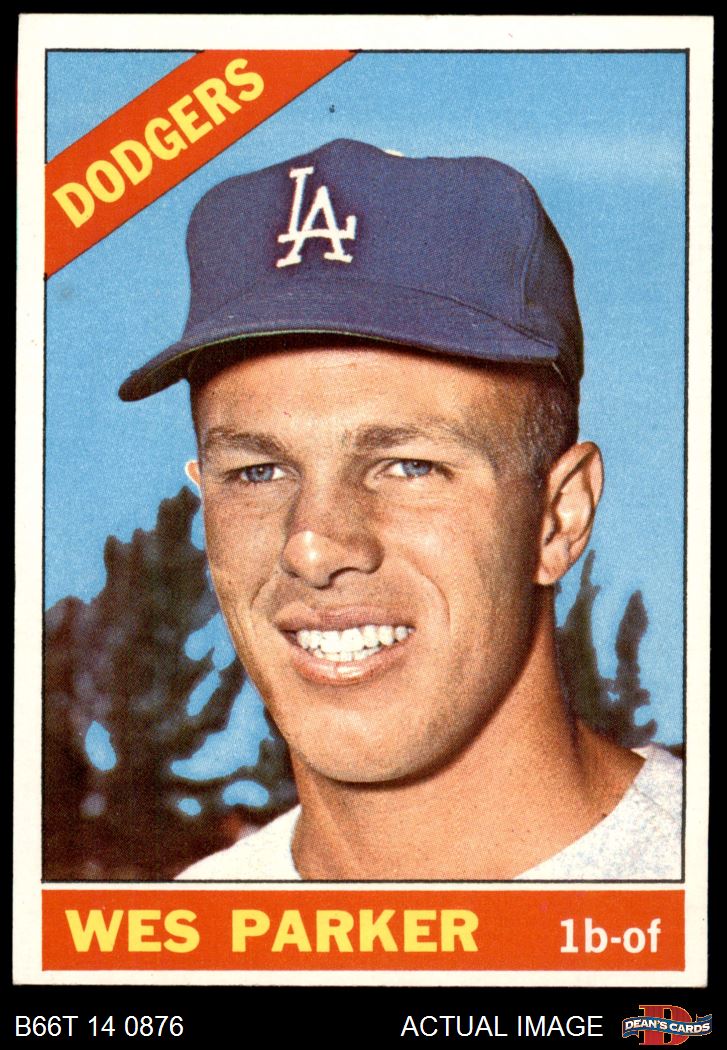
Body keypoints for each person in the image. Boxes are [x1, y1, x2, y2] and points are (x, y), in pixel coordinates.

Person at [119, 138, 682, 881]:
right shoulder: (182, 923)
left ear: (558, 517)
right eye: (258, 471)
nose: (313, 547)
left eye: (410, 466)